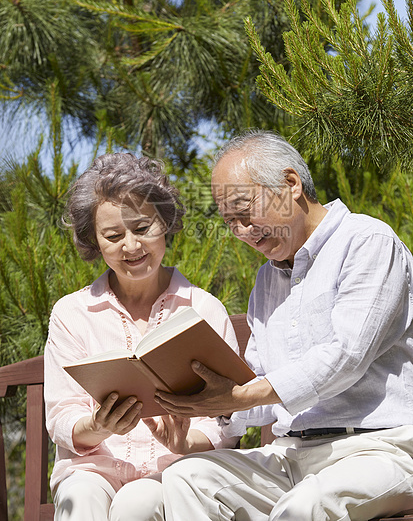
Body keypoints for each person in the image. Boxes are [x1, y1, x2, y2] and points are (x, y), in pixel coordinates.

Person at [157, 130, 413, 521]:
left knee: (303, 507)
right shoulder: (266, 281)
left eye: (245, 211)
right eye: (230, 222)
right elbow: (256, 382)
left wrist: (241, 396)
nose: (243, 231)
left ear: (290, 184)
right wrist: (213, 403)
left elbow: (346, 356)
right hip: (291, 456)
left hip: (381, 448)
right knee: (188, 477)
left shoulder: (367, 240)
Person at [44, 153, 239, 521]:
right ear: (95, 240)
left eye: (142, 228)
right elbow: (61, 416)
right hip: (91, 471)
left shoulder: (203, 309)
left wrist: (185, 442)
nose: (130, 247)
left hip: (174, 472)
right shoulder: (72, 313)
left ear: (164, 223)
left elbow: (224, 419)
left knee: (139, 503)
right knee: (82, 496)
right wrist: (97, 427)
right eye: (113, 236)